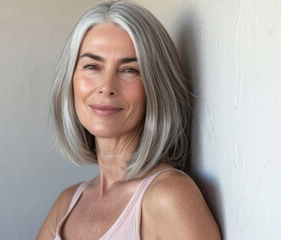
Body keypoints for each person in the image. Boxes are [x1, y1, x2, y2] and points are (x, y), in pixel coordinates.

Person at [37, 1, 221, 239]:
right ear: (70, 80)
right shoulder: (67, 205)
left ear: (156, 87)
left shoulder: (169, 196)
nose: (106, 87)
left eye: (129, 70)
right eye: (92, 66)